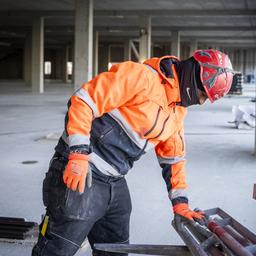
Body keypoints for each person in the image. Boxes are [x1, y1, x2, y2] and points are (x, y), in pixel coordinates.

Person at [32, 49, 234, 256]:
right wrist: (78, 153)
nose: (201, 102)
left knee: (116, 248)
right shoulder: (141, 77)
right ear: (195, 76)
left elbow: (174, 157)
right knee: (58, 247)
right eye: (202, 95)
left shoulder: (176, 109)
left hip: (114, 178)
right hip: (83, 169)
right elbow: (84, 100)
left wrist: (181, 204)